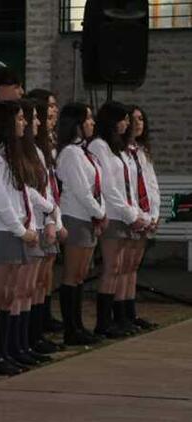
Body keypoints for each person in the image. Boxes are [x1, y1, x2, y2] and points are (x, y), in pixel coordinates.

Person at [0, 100, 38, 375]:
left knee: (9, 294)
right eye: (20, 119)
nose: (24, 123)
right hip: (2, 232)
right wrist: (21, 230)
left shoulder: (10, 158)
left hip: (13, 231)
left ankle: (3, 351)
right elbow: (0, 204)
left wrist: (27, 225)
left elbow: (22, 196)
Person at [88, 101, 146, 338]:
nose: (127, 123)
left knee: (120, 267)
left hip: (124, 212)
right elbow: (109, 187)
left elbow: (128, 184)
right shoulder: (99, 146)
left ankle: (119, 318)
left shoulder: (116, 147)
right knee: (112, 267)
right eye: (122, 119)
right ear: (111, 121)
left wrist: (136, 212)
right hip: (113, 213)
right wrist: (129, 213)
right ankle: (104, 321)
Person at [55, 102, 106, 345]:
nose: (92, 123)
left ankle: (78, 325)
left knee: (80, 277)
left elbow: (97, 185)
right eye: (87, 119)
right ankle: (71, 328)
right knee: (72, 275)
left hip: (88, 216)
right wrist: (99, 213)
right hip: (75, 216)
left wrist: (99, 211)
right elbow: (80, 190)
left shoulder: (85, 151)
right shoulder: (70, 153)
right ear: (76, 123)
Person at [14, 98, 54, 366]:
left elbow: (46, 187)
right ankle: (17, 345)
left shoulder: (36, 151)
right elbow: (26, 191)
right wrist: (48, 208)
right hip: (26, 224)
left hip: (39, 221)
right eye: (30, 118)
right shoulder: (15, 153)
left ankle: (27, 341)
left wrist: (52, 215)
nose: (36, 123)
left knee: (31, 288)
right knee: (18, 290)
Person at [30, 98, 66, 352]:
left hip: (47, 218)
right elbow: (33, 191)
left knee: (42, 281)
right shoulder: (30, 150)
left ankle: (37, 331)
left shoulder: (45, 147)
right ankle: (30, 336)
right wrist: (50, 216)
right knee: (30, 285)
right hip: (35, 221)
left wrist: (55, 217)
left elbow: (51, 189)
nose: (44, 119)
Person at [121, 105, 160, 330]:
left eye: (141, 119)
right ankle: (120, 315)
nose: (137, 123)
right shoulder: (122, 151)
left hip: (144, 214)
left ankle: (130, 313)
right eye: (133, 119)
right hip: (131, 215)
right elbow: (128, 188)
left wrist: (153, 214)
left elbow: (151, 185)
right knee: (122, 267)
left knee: (132, 267)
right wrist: (137, 215)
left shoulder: (142, 151)